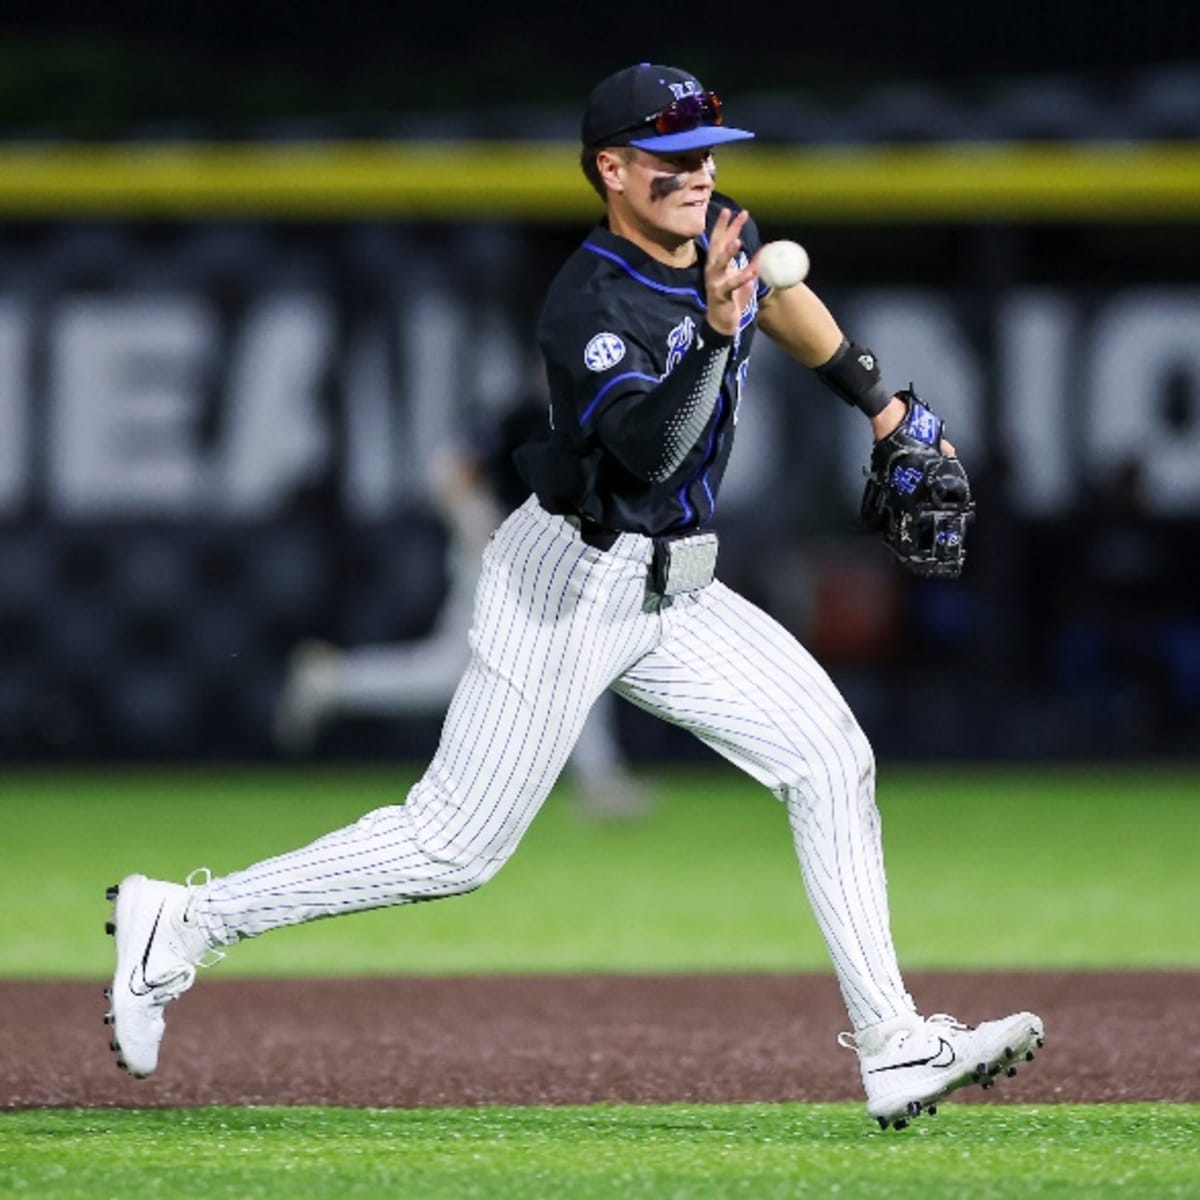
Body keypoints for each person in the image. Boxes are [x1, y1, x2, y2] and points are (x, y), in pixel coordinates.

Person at [105, 63, 1044, 1129]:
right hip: (569, 582)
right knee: (450, 847)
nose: (697, 177)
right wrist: (715, 336)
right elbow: (646, 453)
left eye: (707, 155)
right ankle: (185, 920)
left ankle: (896, 1046)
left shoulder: (710, 241)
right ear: (612, 168)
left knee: (832, 760)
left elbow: (777, 293)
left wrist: (883, 409)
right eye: (671, 158)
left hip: (678, 591)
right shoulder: (588, 301)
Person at [273, 391, 653, 818]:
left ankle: (330, 681)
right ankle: (600, 782)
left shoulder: (582, 413)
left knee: (476, 667)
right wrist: (477, 522)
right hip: (501, 554)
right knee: (567, 653)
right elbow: (449, 466)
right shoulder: (525, 411)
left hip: (536, 553)